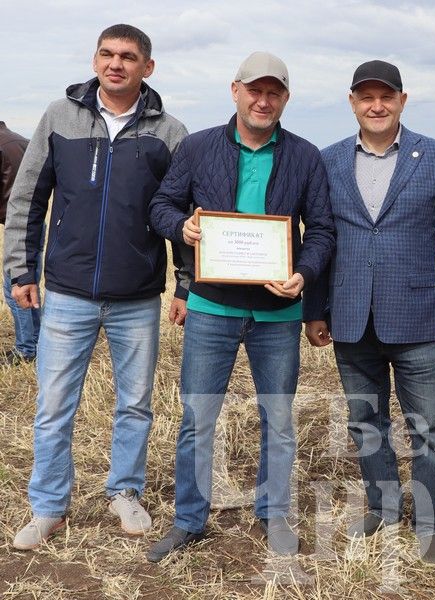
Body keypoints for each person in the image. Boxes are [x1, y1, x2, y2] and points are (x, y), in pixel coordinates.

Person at [3, 24, 188, 550]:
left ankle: (125, 492)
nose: (116, 64)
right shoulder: (59, 118)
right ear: (95, 60)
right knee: (54, 403)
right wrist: (21, 271)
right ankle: (47, 507)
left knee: (134, 403)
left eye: (128, 57)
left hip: (137, 297)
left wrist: (185, 282)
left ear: (146, 67)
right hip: (66, 290)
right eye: (107, 54)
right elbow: (28, 200)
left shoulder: (169, 133)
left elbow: (181, 212)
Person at [146, 51, 335, 563]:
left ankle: (273, 513)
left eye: (274, 92)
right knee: (197, 417)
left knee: (278, 418)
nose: (263, 100)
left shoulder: (304, 155)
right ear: (235, 91)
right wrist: (179, 227)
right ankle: (189, 519)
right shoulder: (198, 146)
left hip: (278, 314)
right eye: (255, 90)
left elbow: (320, 230)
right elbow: (161, 204)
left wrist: (305, 273)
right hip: (211, 307)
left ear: (286, 99)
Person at [303, 60, 435, 563]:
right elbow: (318, 238)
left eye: (386, 96)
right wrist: (316, 309)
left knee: (432, 427)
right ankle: (382, 506)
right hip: (350, 319)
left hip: (420, 317)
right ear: (352, 102)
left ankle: (433, 521)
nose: (376, 106)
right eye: (366, 97)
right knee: (365, 422)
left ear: (402, 100)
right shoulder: (328, 160)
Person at [0, 121, 42, 363]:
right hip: (28, 223)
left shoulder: (5, 145)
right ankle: (36, 342)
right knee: (26, 284)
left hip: (22, 225)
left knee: (17, 287)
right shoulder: (17, 140)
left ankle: (27, 349)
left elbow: (16, 196)